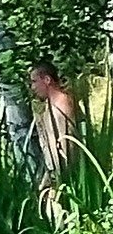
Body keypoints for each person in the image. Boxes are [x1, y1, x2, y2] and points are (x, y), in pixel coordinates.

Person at [28, 60, 78, 223]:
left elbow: (66, 145)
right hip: (54, 173)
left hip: (64, 176)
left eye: (35, 81)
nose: (32, 87)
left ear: (47, 80)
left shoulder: (61, 104)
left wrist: (56, 179)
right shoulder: (50, 106)